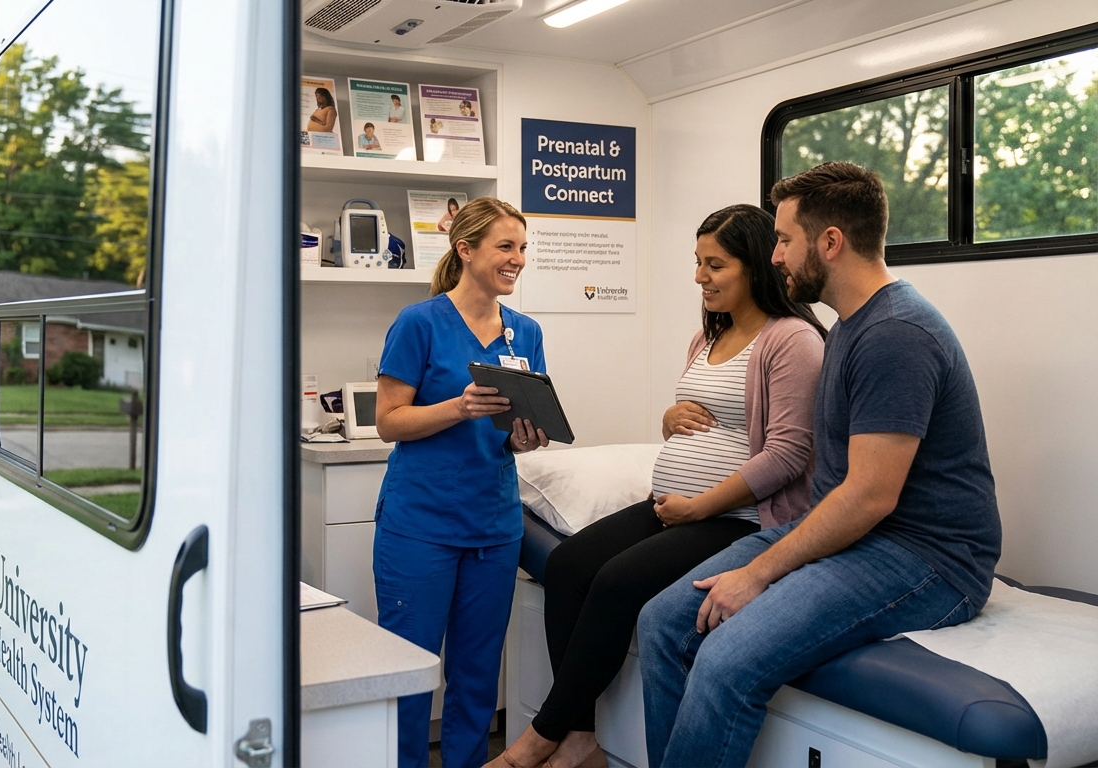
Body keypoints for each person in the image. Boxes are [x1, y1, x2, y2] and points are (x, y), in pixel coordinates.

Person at [639, 162, 1001, 767]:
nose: (775, 257)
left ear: (830, 241)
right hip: (858, 540)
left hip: (929, 558)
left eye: (783, 240)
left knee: (726, 659)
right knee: (661, 623)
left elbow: (868, 497)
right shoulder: (850, 327)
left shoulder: (897, 334)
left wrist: (757, 574)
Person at [488, 204, 825, 768]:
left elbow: (790, 454)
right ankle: (581, 738)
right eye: (698, 263)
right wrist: (670, 420)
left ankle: (541, 737)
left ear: (755, 266)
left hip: (738, 518)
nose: (700, 277)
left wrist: (700, 507)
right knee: (570, 564)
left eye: (715, 265)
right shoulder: (706, 336)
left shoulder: (792, 341)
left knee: (616, 583)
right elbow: (707, 418)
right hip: (677, 506)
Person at [375, 197, 548, 768]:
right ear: (465, 249)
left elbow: (517, 428)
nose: (517, 259)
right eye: (505, 246)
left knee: (476, 678)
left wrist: (526, 435)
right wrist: (458, 407)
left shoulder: (525, 333)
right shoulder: (418, 323)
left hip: (493, 525)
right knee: (410, 674)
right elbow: (388, 422)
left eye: (522, 248)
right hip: (419, 526)